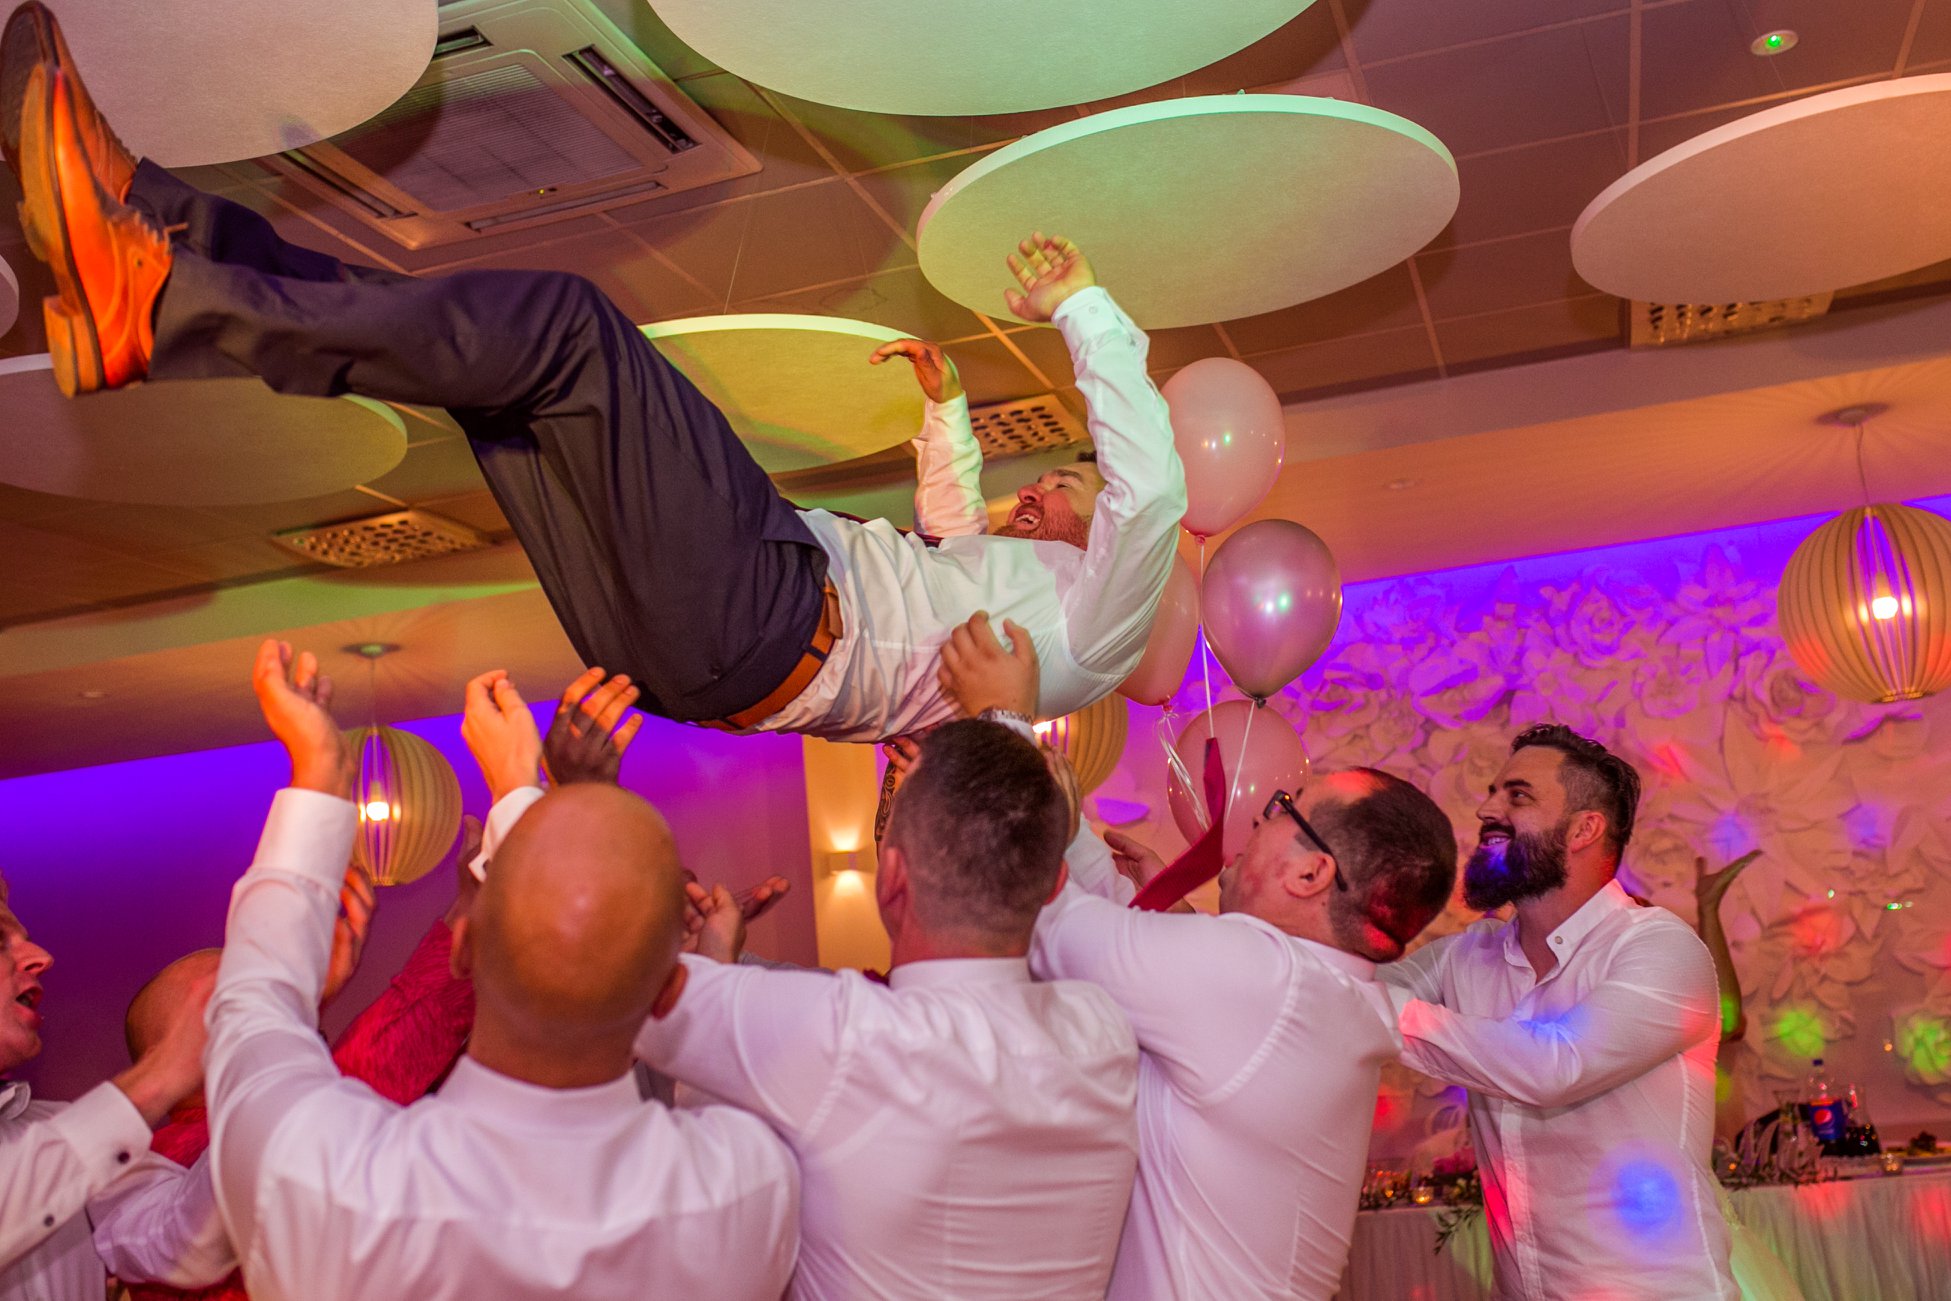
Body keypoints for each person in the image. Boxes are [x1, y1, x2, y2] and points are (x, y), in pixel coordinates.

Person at [2, 2, 1186, 742]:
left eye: (1074, 485)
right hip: (706, 655)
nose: (1052, 488)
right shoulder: (1027, 602)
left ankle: (161, 292)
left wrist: (1082, 306)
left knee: (571, 329)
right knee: (490, 372)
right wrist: (946, 416)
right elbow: (946, 538)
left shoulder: (1101, 627)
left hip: (773, 613)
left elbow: (1154, 497)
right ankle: (157, 229)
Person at [455, 702, 1139, 1297]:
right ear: (1054, 886)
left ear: (890, 881)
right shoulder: (1106, 1030)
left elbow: (608, 975)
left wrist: (518, 789)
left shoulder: (848, 1037)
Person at [199, 640, 801, 1300]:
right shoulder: (745, 1187)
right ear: (669, 993)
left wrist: (322, 772)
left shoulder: (326, 1177)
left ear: (462, 948)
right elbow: (715, 1075)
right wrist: (709, 972)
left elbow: (254, 1006)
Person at [936, 616, 1459, 1300]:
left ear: (1312, 874)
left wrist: (1003, 720)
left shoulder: (1263, 980)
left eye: (1284, 808)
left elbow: (1048, 921)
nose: (1258, 817)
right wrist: (1087, 846)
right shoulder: (1321, 992)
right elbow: (1105, 929)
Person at [1379, 724, 1736, 1300]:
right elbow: (1342, 994)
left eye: (1517, 795)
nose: (1486, 809)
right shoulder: (1466, 957)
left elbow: (1555, 1066)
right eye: (1493, 793)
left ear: (1583, 829)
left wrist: (1373, 1010)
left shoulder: (1659, 947)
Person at [99, 833, 480, 1301]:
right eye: (229, 999)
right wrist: (471, 918)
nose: (260, 998)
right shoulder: (165, 1160)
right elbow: (337, 1098)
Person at [0, 874, 218, 1299]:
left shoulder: (56, 1123)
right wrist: (162, 1072)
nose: (41, 957)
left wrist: (268, 1046)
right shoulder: (78, 1135)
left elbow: (187, 1241)